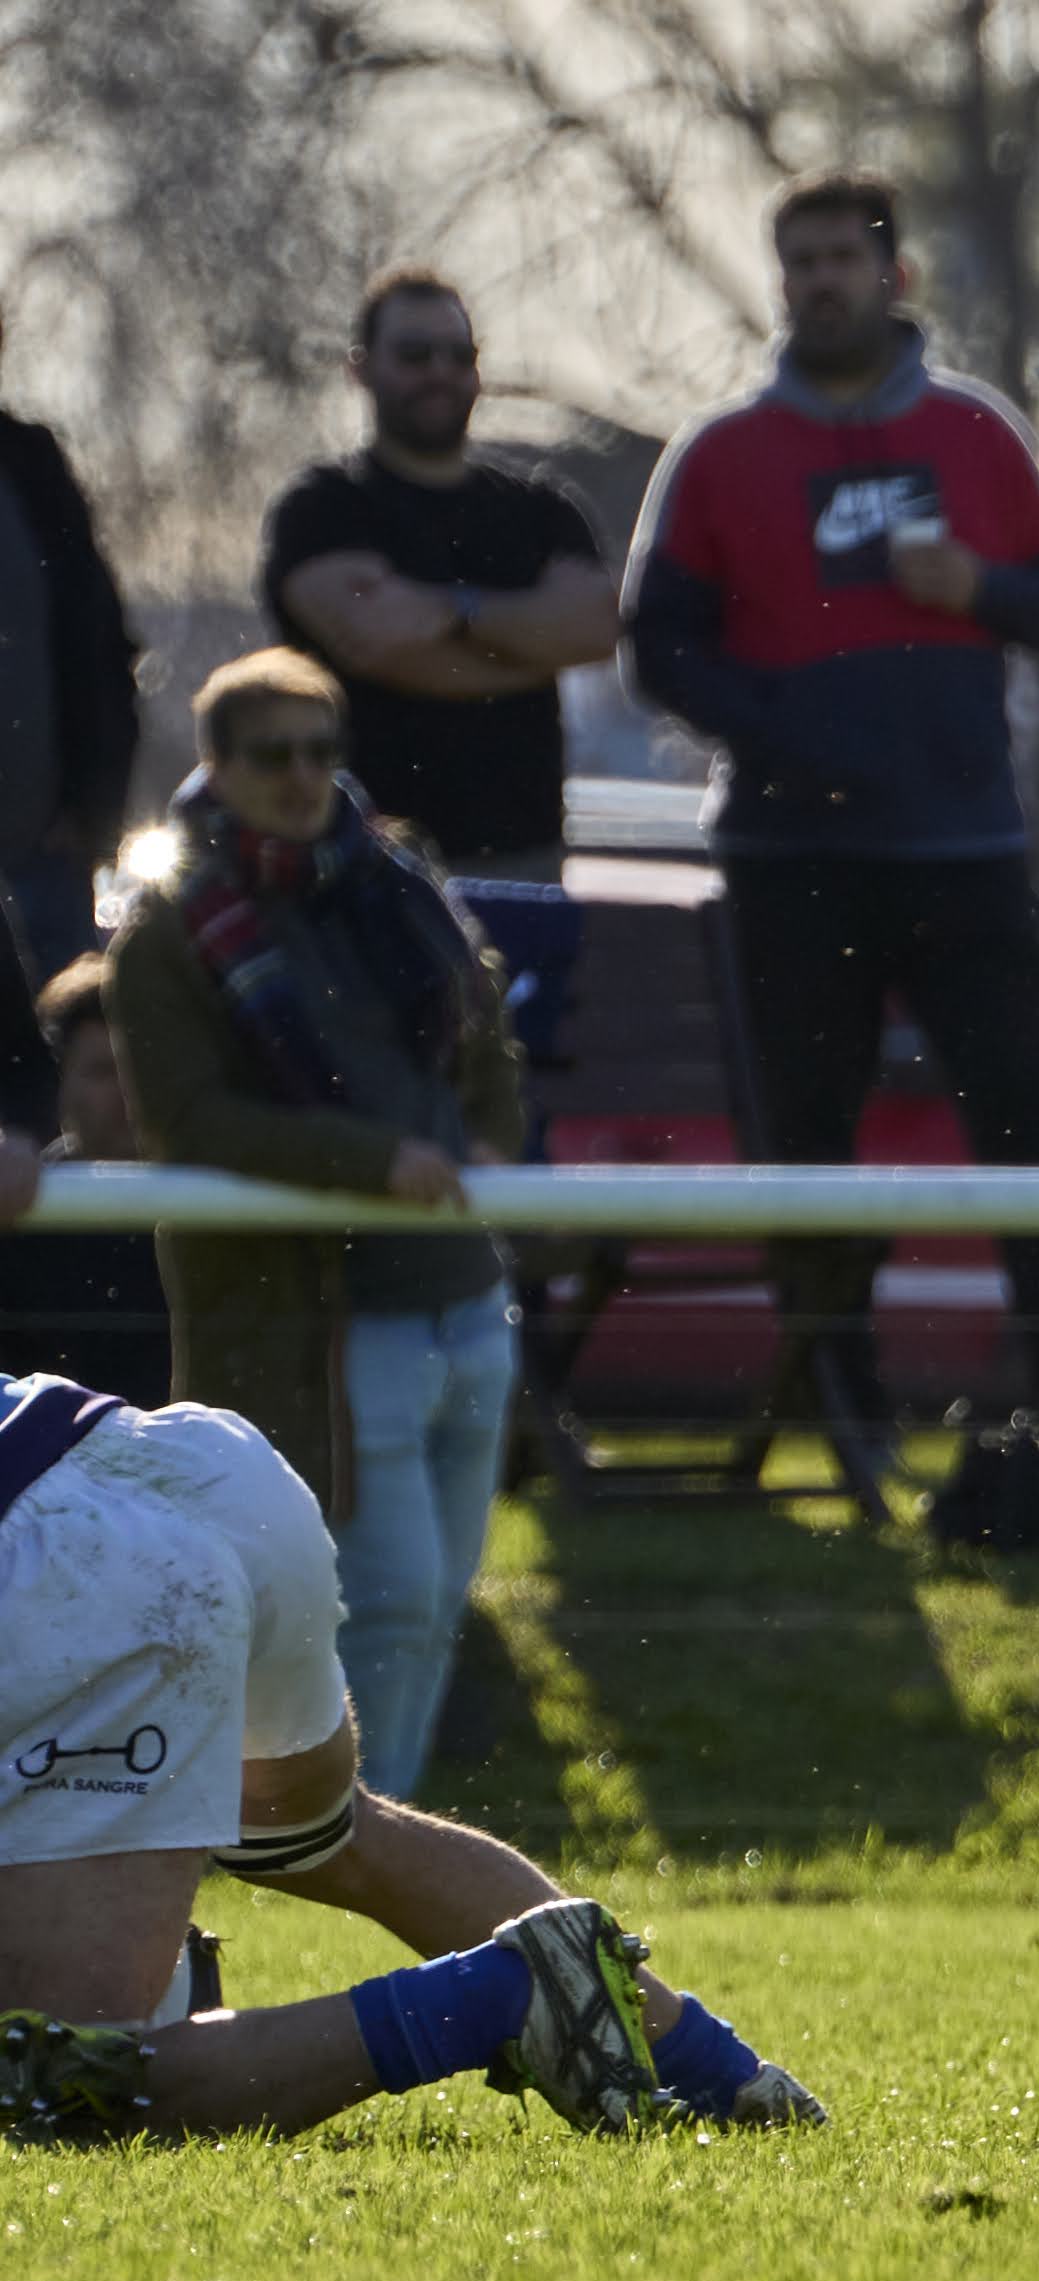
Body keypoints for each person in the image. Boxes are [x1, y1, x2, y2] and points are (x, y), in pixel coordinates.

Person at [0, 1367, 821, 2139]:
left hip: (76, 1559)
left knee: (56, 2079)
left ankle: (498, 1998)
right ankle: (722, 2079)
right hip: (191, 1466)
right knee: (330, 1841)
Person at [622, 170, 1039, 1424]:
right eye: (802, 261)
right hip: (792, 860)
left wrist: (976, 588)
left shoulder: (977, 434)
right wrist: (793, 736)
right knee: (806, 1143)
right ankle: (841, 1412)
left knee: (1029, 1125)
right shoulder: (718, 453)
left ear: (896, 274)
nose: (822, 281)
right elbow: (656, 647)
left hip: (967, 851)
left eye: (844, 257)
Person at [104, 650, 524, 1803]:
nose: (301, 776)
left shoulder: (400, 881)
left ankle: (387, 1821)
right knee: (384, 1598)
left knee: (438, 1600)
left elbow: (484, 1036)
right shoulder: (169, 927)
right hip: (322, 1320)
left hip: (464, 1294)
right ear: (216, 765)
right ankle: (347, 1835)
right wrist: (374, 1161)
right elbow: (190, 1121)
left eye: (321, 750)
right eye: (272, 754)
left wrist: (489, 1139)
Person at [261, 268, 621, 879]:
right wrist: (531, 645)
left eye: (460, 356)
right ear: (360, 368)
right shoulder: (323, 510)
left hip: (525, 863)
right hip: (359, 865)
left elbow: (596, 629)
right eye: (414, 354)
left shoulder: (541, 511)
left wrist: (453, 612)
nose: (440, 372)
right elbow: (376, 638)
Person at [0, 312, 142, 978]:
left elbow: (98, 643)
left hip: (41, 869)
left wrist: (93, 813)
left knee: (66, 1040)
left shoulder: (29, 466)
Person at [0, 957, 169, 1403]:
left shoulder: (222, 1215)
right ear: (60, 1083)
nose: (127, 1091)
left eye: (142, 1066)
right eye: (101, 1071)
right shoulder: (15, 1224)